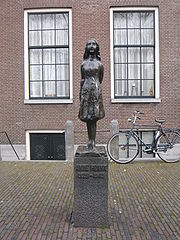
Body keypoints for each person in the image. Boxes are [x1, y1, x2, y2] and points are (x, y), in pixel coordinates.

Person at [78, 39, 105, 150]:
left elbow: (101, 78)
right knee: (87, 116)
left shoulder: (99, 64)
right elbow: (82, 79)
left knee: (94, 117)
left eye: (94, 44)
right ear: (86, 47)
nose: (92, 46)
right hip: (85, 91)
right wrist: (81, 93)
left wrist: (96, 89)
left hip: (95, 92)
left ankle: (92, 141)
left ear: (97, 47)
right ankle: (89, 140)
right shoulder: (83, 64)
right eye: (89, 44)